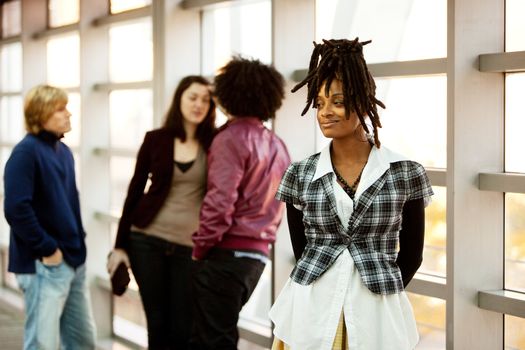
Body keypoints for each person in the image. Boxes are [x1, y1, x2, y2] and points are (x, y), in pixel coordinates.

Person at [269, 38, 434, 350]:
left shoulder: (405, 172)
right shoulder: (300, 174)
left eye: (337, 102)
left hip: (377, 318)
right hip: (309, 313)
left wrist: (378, 291)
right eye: (319, 103)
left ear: (363, 101)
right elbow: (303, 250)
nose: (324, 112)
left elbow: (412, 255)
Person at [106, 76, 216, 350]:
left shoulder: (215, 142)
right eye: (193, 97)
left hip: (188, 247)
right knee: (157, 324)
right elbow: (134, 192)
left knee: (183, 328)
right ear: (179, 98)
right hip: (146, 241)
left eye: (205, 99)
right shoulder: (156, 139)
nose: (198, 104)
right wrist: (120, 246)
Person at [189, 57, 291, 350]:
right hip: (255, 259)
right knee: (219, 335)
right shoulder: (277, 144)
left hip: (225, 255)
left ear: (229, 93)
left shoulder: (230, 139)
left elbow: (220, 203)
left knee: (212, 340)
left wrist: (199, 251)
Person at [4, 85, 96, 350]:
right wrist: (48, 249)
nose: (69, 114)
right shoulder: (26, 152)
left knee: (83, 342)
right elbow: (16, 209)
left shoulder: (63, 151)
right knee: (42, 344)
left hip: (73, 261)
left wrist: (79, 242)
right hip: (45, 265)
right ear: (41, 114)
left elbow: (70, 203)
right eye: (60, 109)